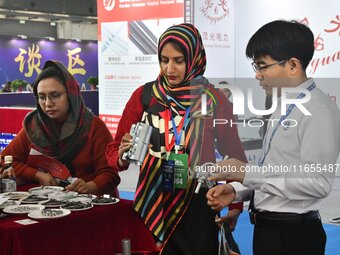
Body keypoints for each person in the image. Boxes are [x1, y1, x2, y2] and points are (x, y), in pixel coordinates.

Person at [105, 23, 247, 254]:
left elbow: (236, 156)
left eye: (179, 60)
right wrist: (121, 156)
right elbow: (113, 149)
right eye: (164, 60)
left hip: (198, 201)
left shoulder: (214, 101)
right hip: (152, 199)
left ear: (194, 59)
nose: (170, 68)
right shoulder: (145, 96)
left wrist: (235, 204)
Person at [206, 20, 340, 255]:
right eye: (255, 66)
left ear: (293, 65)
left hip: (293, 237)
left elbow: (318, 182)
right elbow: (277, 170)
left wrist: (247, 174)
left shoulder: (319, 110)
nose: (257, 75)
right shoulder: (283, 104)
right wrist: (239, 191)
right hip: (269, 231)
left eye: (263, 66)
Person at [1, 60, 120, 196]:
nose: (48, 103)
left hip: (92, 204)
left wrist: (90, 186)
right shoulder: (34, 128)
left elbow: (110, 174)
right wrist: (37, 175)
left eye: (55, 96)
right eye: (42, 97)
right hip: (49, 204)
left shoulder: (93, 126)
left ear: (71, 94)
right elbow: (6, 160)